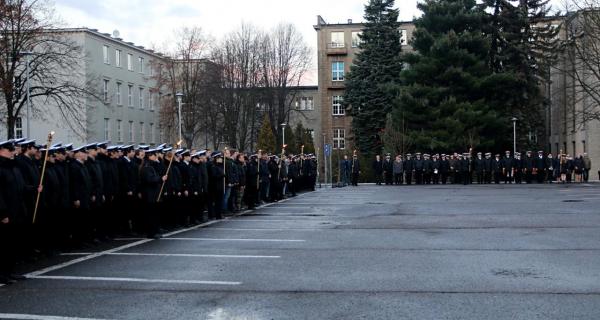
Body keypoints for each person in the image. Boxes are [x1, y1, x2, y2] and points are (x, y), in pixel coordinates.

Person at [0, 140, 28, 284]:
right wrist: (2, 213)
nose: (13, 151)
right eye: (9, 149)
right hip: (6, 213)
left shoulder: (13, 168)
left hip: (17, 211)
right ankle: (2, 273)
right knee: (4, 245)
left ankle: (10, 272)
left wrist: (34, 188)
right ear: (1, 150)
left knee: (13, 244)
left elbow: (21, 188)